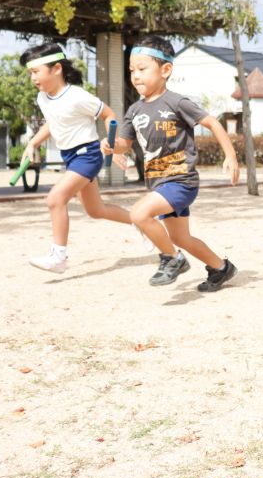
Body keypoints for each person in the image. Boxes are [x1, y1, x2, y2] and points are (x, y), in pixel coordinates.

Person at [101, 36, 241, 291]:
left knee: (139, 214)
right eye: (132, 70)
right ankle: (221, 268)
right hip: (159, 184)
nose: (136, 75)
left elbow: (212, 123)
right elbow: (124, 142)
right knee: (180, 236)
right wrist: (111, 145)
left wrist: (230, 156)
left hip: (181, 181)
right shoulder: (134, 111)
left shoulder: (177, 102)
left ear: (165, 70)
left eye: (142, 69)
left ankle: (171, 258)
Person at [20, 42, 133, 274]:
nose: (33, 78)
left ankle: (58, 257)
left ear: (57, 68)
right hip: (70, 157)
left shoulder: (77, 96)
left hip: (88, 154)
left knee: (55, 199)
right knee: (96, 210)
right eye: (31, 73)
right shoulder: (43, 97)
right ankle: (143, 222)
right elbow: (53, 123)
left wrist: (112, 142)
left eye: (35, 71)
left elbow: (109, 115)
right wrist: (33, 142)